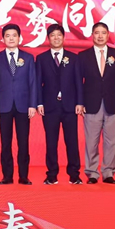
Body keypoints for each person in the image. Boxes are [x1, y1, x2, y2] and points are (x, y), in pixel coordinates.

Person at [78, 22, 115, 184]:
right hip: (91, 103)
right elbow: (79, 82)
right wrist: (80, 102)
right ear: (92, 35)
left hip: (112, 102)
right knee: (91, 141)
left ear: (108, 35)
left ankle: (108, 172)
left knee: (111, 140)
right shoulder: (83, 56)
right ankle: (92, 173)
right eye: (97, 33)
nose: (100, 36)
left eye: (103, 33)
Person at [35, 24, 83, 185]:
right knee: (51, 142)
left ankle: (74, 174)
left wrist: (80, 102)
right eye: (52, 35)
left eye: (59, 35)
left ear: (63, 37)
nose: (56, 38)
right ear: (48, 39)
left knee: (72, 141)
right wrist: (39, 103)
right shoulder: (41, 59)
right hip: (49, 106)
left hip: (70, 106)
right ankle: (51, 174)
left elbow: (79, 82)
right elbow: (38, 83)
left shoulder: (74, 58)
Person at [0, 23, 37, 185]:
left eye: (14, 36)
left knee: (23, 143)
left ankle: (24, 176)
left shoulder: (28, 58)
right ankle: (7, 176)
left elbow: (33, 83)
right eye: (8, 36)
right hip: (4, 106)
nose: (11, 39)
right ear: (3, 39)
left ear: (19, 38)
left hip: (24, 106)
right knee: (6, 143)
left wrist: (33, 104)